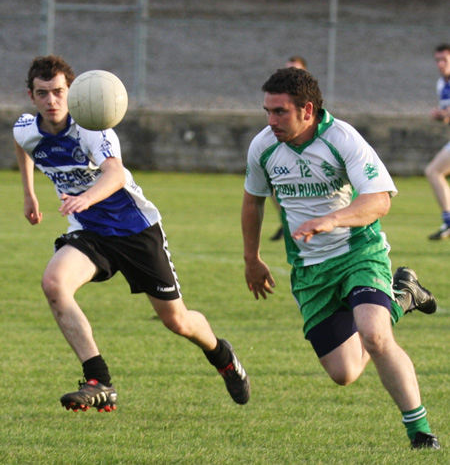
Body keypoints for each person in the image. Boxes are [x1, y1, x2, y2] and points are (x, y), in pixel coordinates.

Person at [13, 55, 250, 412]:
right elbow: (23, 145)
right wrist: (29, 193)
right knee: (54, 283)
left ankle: (222, 355)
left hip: (136, 230)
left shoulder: (93, 128)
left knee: (177, 320)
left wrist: (85, 198)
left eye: (58, 92)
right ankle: (99, 380)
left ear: (72, 93)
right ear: (31, 96)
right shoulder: (25, 128)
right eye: (42, 93)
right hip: (91, 232)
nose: (51, 101)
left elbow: (116, 174)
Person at [241, 67, 440, 449]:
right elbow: (253, 201)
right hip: (310, 269)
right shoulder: (263, 146)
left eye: (280, 111)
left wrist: (332, 219)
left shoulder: (343, 139)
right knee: (345, 372)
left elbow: (379, 200)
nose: (271, 121)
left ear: (307, 110)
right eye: (267, 111)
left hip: (357, 254)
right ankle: (405, 295)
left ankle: (420, 432)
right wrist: (252, 258)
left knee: (374, 334)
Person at [270, 55, 309, 241]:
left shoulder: (309, 96)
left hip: (306, 153)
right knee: (273, 188)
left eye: (295, 69)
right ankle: (287, 222)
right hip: (286, 149)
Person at [425, 43, 450, 240]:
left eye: (445, 60)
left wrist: (444, 114)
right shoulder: (442, 84)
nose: (440, 64)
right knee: (434, 171)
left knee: (434, 171)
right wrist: (441, 115)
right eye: (438, 60)